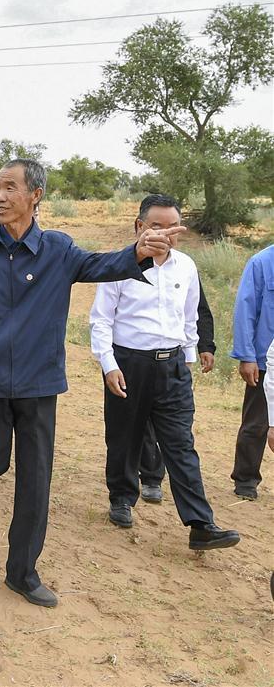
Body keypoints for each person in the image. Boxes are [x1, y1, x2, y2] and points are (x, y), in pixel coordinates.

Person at [0, 158, 186, 608]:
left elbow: (104, 264)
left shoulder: (58, 249)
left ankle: (22, 571)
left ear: (36, 196)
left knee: (35, 481)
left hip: (37, 384)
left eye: (10, 187)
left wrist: (141, 251)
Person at [89, 194, 239, 551]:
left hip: (172, 367)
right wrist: (109, 365)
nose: (166, 233)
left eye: (173, 226)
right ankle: (122, 498)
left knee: (181, 445)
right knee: (125, 436)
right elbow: (101, 320)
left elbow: (189, 317)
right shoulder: (118, 266)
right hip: (129, 364)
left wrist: (186, 360)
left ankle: (201, 523)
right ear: (139, 227)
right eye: (157, 225)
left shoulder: (186, 266)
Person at [138, 279, 216, 503]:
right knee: (144, 421)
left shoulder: (184, 266)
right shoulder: (129, 264)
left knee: (175, 425)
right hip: (139, 356)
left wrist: (206, 345)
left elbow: (199, 309)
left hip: (178, 357)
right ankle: (151, 477)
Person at [231, 244, 274, 500]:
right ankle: (246, 479)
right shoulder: (261, 263)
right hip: (265, 358)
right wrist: (247, 356)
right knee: (256, 423)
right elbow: (245, 311)